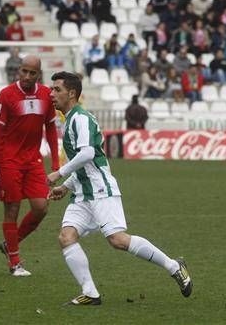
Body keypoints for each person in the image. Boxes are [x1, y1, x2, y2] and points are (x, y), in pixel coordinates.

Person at [46, 71, 192, 305]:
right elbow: (87, 163)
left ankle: (174, 266)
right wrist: (66, 186)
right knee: (66, 237)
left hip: (100, 190)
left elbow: (88, 154)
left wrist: (59, 173)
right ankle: (91, 293)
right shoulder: (70, 120)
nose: (51, 94)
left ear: (71, 93)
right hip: (83, 193)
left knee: (117, 240)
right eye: (52, 89)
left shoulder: (80, 118)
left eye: (57, 89)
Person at [0, 55, 60, 276]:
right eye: (23, 71)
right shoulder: (6, 95)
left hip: (33, 160)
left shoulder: (46, 94)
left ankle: (10, 243)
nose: (26, 76)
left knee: (41, 207)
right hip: (8, 161)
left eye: (31, 73)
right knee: (12, 210)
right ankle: (14, 263)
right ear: (19, 71)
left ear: (38, 75)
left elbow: (51, 129)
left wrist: (55, 161)